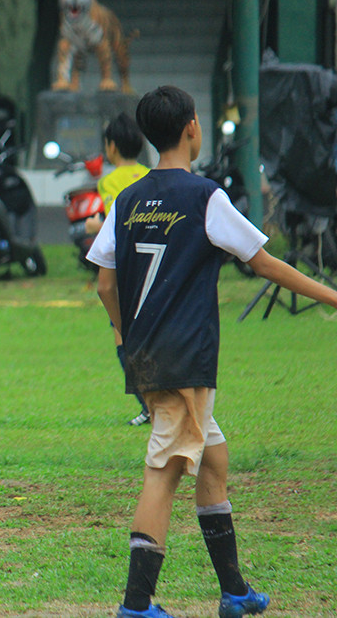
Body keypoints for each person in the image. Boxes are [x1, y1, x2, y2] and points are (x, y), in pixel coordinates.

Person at [87, 85, 337, 618]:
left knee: (212, 460)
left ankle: (234, 592)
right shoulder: (204, 196)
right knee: (165, 469)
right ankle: (136, 604)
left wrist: (125, 330)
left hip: (148, 355)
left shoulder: (127, 199)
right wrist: (332, 294)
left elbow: (105, 285)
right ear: (191, 129)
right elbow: (264, 262)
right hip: (186, 357)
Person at [85, 112, 152, 426]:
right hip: (153, 261)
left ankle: (148, 403)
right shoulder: (149, 174)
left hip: (125, 267)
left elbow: (118, 221)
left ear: (111, 147)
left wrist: (94, 224)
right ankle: (155, 401)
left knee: (122, 334)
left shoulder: (108, 182)